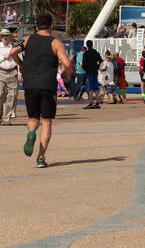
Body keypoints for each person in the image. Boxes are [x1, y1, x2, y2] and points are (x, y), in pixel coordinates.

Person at [20, 12, 73, 168]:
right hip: (48, 85)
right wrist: (66, 75)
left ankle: (31, 133)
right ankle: (41, 158)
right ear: (51, 26)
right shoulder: (55, 42)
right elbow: (67, 64)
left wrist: (21, 65)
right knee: (46, 121)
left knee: (33, 118)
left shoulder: (27, 40)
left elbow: (12, 52)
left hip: (30, 84)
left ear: (36, 26)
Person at [0, 28, 21, 125]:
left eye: (6, 36)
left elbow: (19, 61)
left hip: (13, 72)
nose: (4, 37)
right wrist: (3, 57)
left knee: (12, 96)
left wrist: (20, 73)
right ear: (1, 37)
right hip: (1, 72)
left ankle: (6, 119)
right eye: (3, 36)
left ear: (9, 37)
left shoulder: (14, 47)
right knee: (0, 95)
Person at [82, 39, 103, 108]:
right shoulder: (95, 52)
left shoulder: (86, 53)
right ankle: (97, 102)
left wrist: (86, 69)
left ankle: (91, 103)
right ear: (92, 45)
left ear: (87, 45)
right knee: (96, 87)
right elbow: (101, 61)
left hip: (89, 72)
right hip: (95, 72)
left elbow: (84, 64)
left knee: (90, 88)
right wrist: (97, 67)